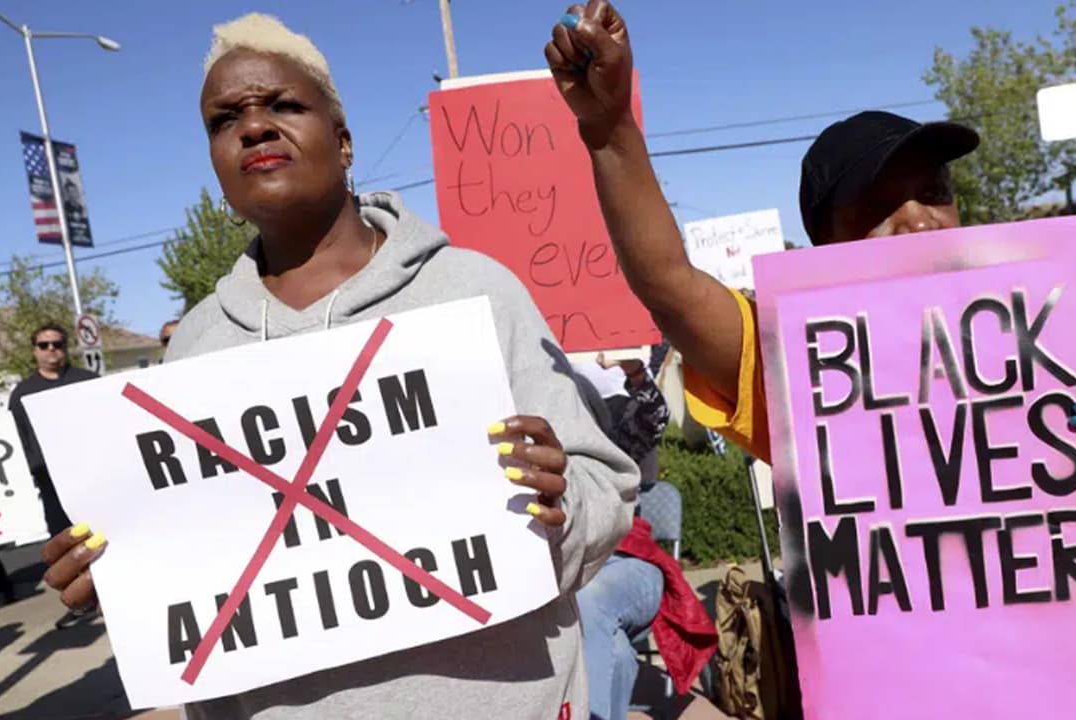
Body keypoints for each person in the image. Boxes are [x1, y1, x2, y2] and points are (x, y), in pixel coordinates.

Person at [40, 14, 638, 719]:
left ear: (345, 142)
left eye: (283, 105)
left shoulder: (474, 291)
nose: (253, 127)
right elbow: (199, 594)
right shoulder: (194, 349)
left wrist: (558, 507)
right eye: (224, 119)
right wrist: (124, 582)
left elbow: (607, 491)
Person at [545, 0, 1076, 550]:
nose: (917, 222)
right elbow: (668, 281)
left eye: (933, 192)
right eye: (880, 207)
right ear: (824, 245)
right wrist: (610, 131)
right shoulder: (800, 366)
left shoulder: (1046, 339)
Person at [571, 353, 715, 720]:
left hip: (628, 565)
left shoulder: (614, 437)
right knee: (616, 654)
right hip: (567, 573)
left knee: (590, 598)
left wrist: (635, 372)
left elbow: (652, 418)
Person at [9, 323, 98, 537]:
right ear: (35, 350)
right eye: (43, 344)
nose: (51, 348)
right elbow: (21, 440)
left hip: (96, 475)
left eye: (57, 343)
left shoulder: (88, 381)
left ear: (66, 347)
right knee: (66, 543)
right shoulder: (22, 393)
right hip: (52, 485)